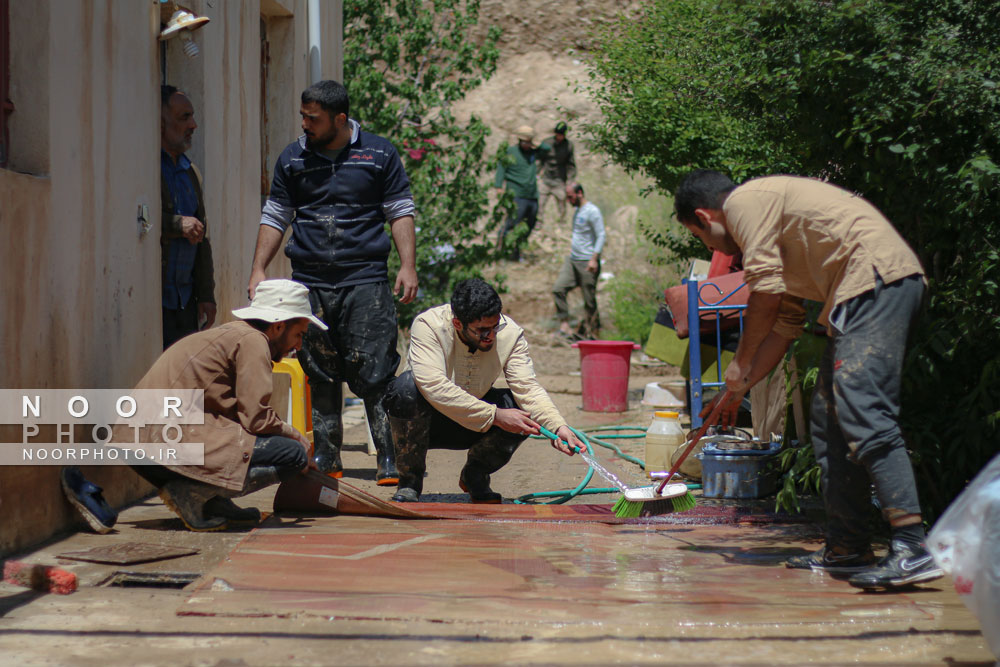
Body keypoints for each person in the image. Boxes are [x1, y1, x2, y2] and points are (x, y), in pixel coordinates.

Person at [674, 169, 943, 591]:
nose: (710, 248)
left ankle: (913, 547)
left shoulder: (745, 202)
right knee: (828, 417)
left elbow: (764, 292)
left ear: (704, 217)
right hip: (858, 292)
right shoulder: (771, 227)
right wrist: (736, 388)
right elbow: (784, 325)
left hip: (875, 281)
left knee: (862, 408)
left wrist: (739, 363)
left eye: (701, 238)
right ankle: (848, 547)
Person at [248, 80, 417, 486]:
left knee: (376, 370)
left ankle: (387, 458)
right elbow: (276, 215)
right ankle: (327, 455)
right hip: (310, 283)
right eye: (302, 116)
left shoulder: (379, 153)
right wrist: (258, 269)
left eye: (313, 118)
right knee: (319, 370)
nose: (304, 124)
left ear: (339, 119)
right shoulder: (293, 158)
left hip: (366, 280)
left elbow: (400, 211)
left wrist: (407, 265)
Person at [61, 280, 322, 532]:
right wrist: (296, 435)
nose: (298, 345)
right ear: (277, 326)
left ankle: (212, 502)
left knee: (257, 443)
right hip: (163, 443)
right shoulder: (254, 342)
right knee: (292, 455)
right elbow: (256, 419)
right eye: (298, 335)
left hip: (138, 443)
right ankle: (197, 494)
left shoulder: (235, 335)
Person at [385, 278, 585, 503]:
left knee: (522, 408)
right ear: (458, 323)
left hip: (477, 421)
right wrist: (496, 415)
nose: (490, 335)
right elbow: (433, 386)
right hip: (426, 422)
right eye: (481, 330)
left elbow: (527, 388)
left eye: (494, 326)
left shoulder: (510, 333)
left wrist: (558, 426)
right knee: (405, 388)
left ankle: (475, 475)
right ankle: (410, 482)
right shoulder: (429, 325)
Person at [160, 85, 216, 350]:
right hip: (157, 304)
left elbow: (203, 238)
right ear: (161, 123)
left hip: (186, 303)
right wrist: (175, 224)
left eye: (192, 116)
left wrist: (206, 294)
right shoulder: (147, 166)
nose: (193, 124)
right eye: (184, 117)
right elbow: (132, 219)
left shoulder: (189, 171)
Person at [553, 182, 605, 340]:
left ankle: (593, 332)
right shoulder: (577, 211)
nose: (569, 200)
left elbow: (601, 235)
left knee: (589, 300)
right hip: (573, 260)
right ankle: (564, 324)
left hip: (587, 262)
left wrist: (594, 259)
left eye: (570, 197)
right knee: (558, 288)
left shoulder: (592, 211)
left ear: (580, 193)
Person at [495, 125, 547, 261]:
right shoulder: (510, 151)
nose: (527, 144)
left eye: (529, 142)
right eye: (525, 141)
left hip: (531, 195)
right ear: (520, 140)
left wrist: (535, 143)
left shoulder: (532, 153)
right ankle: (502, 250)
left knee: (530, 223)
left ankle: (517, 250)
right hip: (516, 193)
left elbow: (547, 149)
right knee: (512, 223)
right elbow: (501, 168)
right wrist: (498, 186)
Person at [537, 121, 577, 225]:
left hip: (559, 180)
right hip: (546, 179)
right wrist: (536, 174)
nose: (558, 137)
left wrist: (570, 180)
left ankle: (562, 223)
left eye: (561, 135)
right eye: (557, 134)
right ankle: (538, 223)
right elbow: (540, 160)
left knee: (562, 204)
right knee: (540, 203)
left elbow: (571, 164)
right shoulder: (546, 143)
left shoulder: (568, 146)